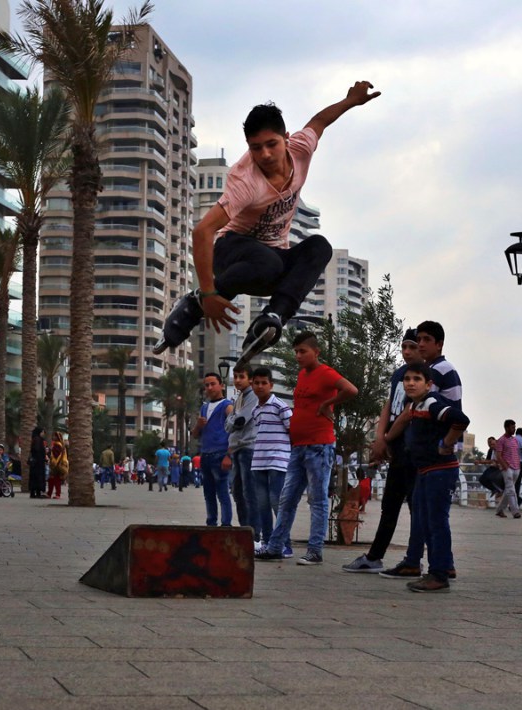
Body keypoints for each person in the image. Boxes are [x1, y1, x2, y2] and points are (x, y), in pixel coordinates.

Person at [154, 81, 381, 359]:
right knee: (268, 261)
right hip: (230, 252)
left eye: (271, 144)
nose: (265, 155)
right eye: (255, 148)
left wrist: (350, 100)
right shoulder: (245, 181)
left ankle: (272, 316)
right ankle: (194, 304)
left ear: (286, 138)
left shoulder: (301, 149)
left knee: (319, 246)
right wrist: (210, 293)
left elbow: (319, 121)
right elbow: (203, 231)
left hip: (271, 263)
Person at [257, 331, 357, 565]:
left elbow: (351, 390)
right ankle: (275, 546)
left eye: (303, 351)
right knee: (287, 498)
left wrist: (328, 403)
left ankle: (315, 550)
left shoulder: (326, 373)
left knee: (318, 498)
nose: (298, 356)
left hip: (319, 446)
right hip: (299, 446)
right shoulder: (303, 375)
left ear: (316, 352)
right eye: (296, 352)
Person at [379, 321, 463, 579]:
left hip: (435, 457)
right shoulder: (431, 370)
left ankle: (424, 564)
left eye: (426, 340)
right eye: (419, 340)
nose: (421, 345)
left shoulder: (438, 371)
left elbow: (450, 417)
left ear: (439, 344)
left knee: (431, 516)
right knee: (424, 511)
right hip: (425, 456)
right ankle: (431, 562)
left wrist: (385, 438)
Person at [343, 329, 425, 573]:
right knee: (390, 504)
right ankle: (375, 556)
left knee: (417, 507)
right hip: (397, 448)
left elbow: (409, 413)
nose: (407, 351)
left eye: (413, 346)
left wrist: (386, 438)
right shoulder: (399, 374)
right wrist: (380, 439)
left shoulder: (425, 376)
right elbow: (389, 406)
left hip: (414, 449)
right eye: (404, 347)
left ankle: (419, 560)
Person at [397, 363, 470, 593]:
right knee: (426, 520)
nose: (410, 383)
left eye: (417, 379)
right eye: (407, 379)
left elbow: (460, 419)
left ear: (428, 384)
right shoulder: (415, 405)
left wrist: (447, 443)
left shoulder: (431, 403)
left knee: (435, 522)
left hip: (439, 471)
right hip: (426, 471)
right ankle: (443, 567)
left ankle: (438, 575)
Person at [248, 367, 293, 556]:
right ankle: (267, 542)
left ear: (271, 385)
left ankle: (285, 544)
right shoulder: (255, 410)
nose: (260, 386)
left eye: (264, 383)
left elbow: (292, 431)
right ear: (252, 384)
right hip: (259, 462)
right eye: (256, 383)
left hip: (278, 461)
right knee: (262, 504)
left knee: (277, 502)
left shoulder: (280, 406)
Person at [193, 373, 234, 525]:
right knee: (208, 493)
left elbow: (234, 431)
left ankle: (225, 524)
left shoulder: (227, 406)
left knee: (222, 492)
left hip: (220, 453)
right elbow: (195, 435)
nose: (209, 388)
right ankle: (211, 522)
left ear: (221, 385)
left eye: (213, 384)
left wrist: (229, 455)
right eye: (207, 385)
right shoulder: (204, 408)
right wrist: (199, 425)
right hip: (206, 455)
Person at [225, 362, 260, 541]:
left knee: (249, 492)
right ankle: (244, 529)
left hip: (248, 447)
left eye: (241, 377)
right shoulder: (238, 397)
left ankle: (254, 533)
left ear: (250, 379)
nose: (237, 380)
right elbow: (230, 422)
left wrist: (232, 421)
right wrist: (232, 421)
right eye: (235, 376)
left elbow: (240, 421)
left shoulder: (252, 396)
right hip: (237, 448)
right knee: (237, 492)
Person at [494, 420, 522, 519]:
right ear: (506, 428)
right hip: (507, 468)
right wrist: (504, 466)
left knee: (508, 490)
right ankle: (515, 511)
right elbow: (498, 455)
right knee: (511, 489)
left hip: (516, 467)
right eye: (512, 427)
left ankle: (499, 510)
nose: (514, 429)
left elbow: (517, 453)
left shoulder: (515, 440)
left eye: (514, 427)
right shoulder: (501, 440)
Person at [48, 432, 68, 499]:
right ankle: (49, 493)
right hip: (55, 465)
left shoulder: (58, 445)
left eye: (54, 436)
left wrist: (55, 464)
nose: (53, 437)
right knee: (51, 479)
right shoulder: (57, 445)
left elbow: (58, 455)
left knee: (56, 480)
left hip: (57, 465)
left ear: (58, 437)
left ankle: (57, 494)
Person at [29, 427, 47, 498]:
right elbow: (37, 450)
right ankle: (38, 493)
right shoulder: (38, 439)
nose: (43, 433)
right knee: (38, 477)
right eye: (42, 432)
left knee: (34, 477)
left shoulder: (35, 439)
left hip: (35, 463)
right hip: (38, 463)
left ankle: (33, 493)